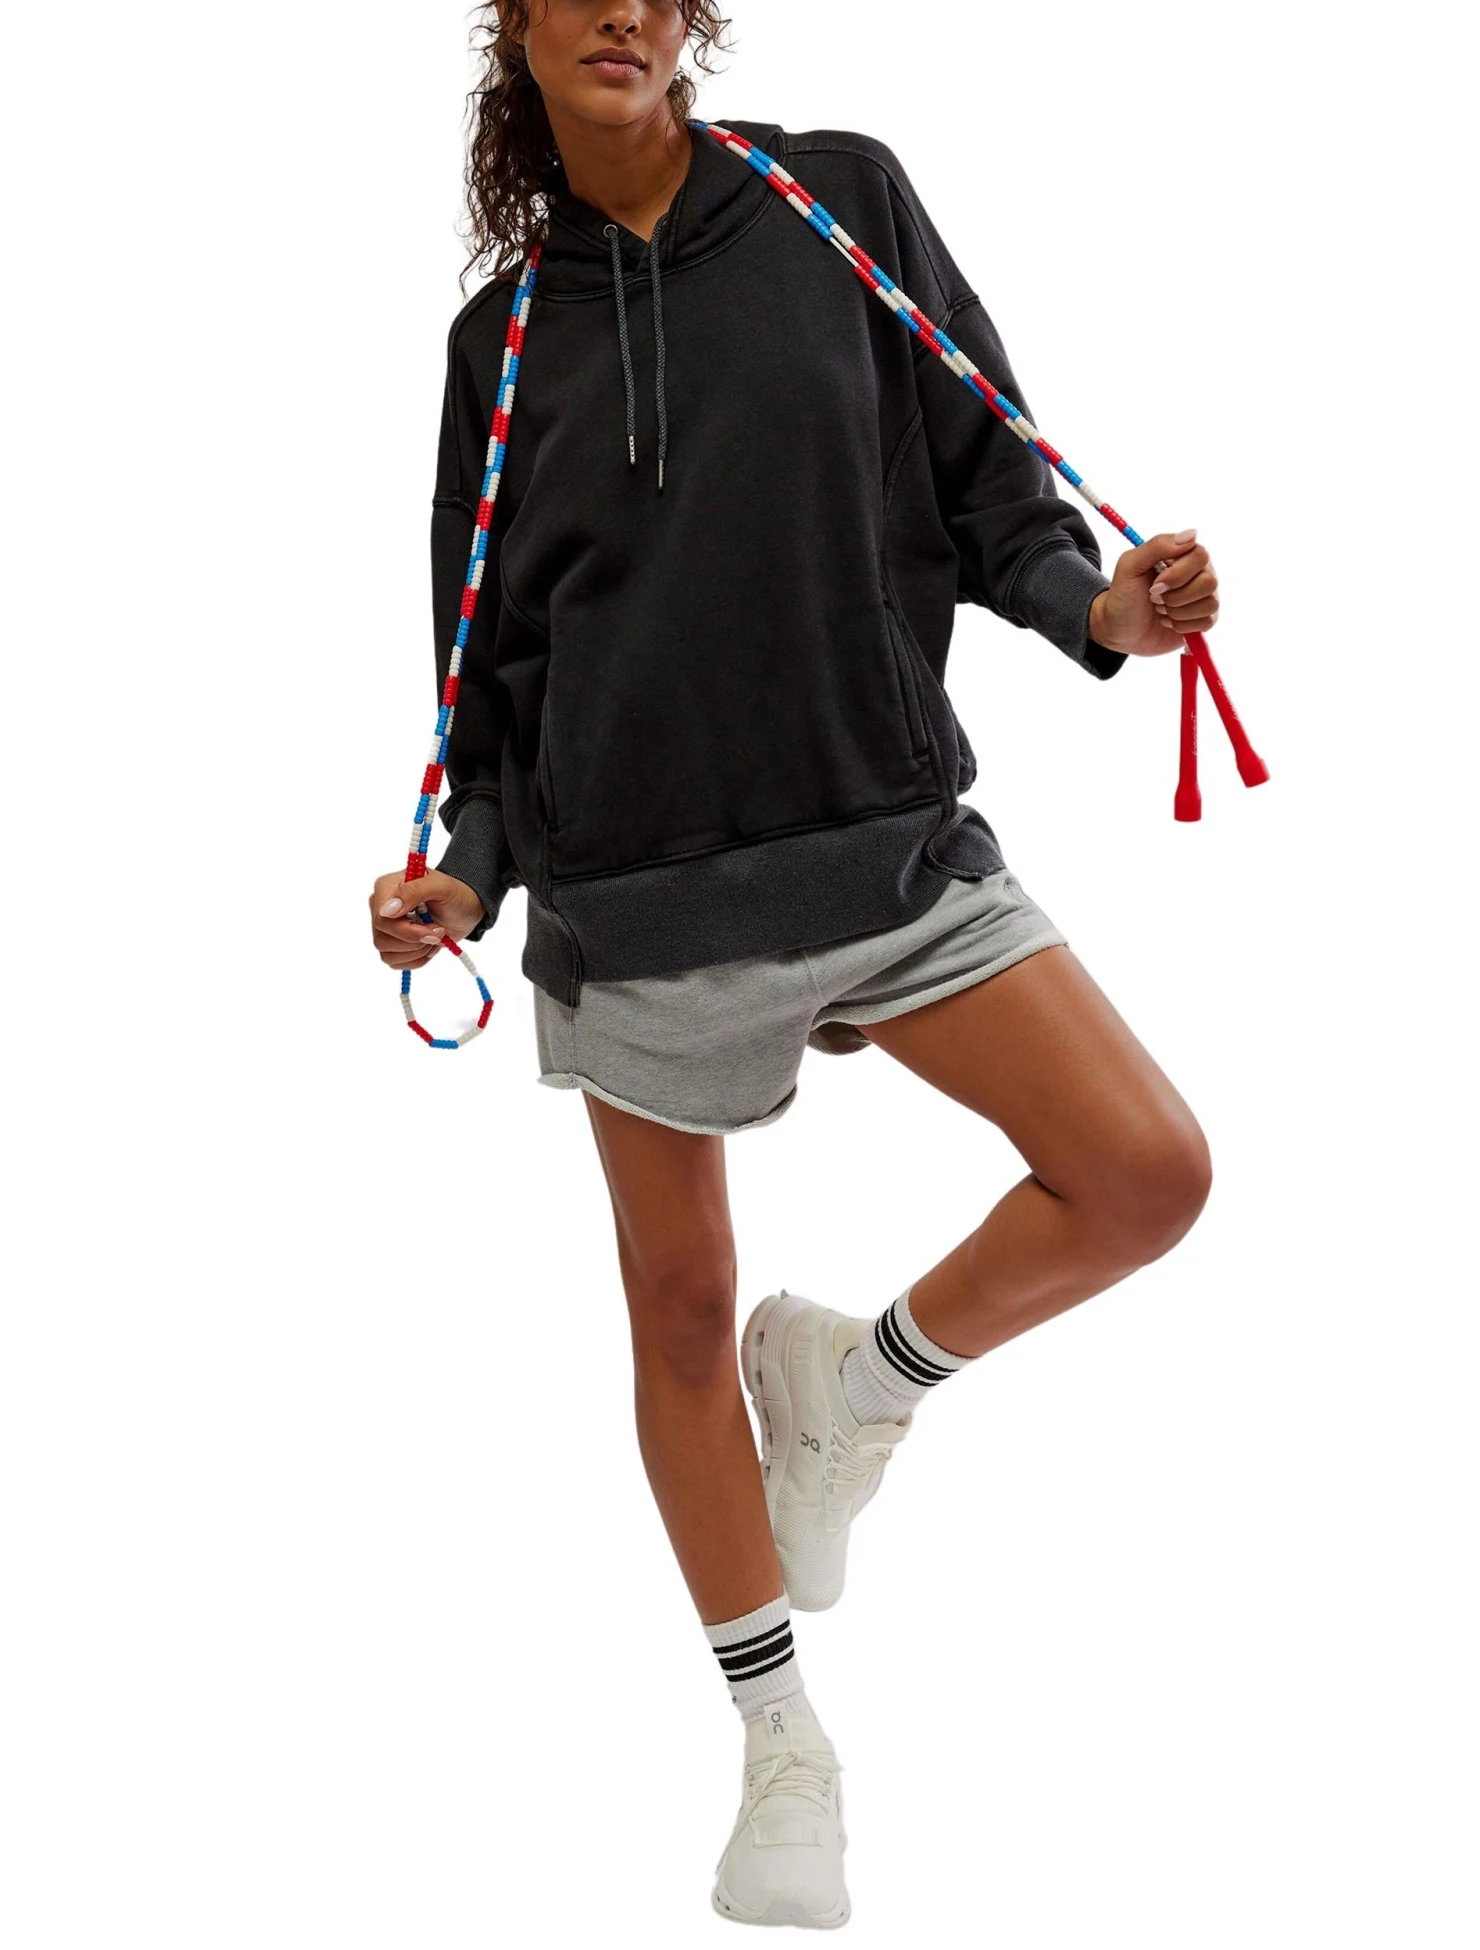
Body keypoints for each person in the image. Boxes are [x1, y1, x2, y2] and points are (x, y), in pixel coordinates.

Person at [369, 2, 1218, 1929]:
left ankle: (856, 1376)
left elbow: (992, 489)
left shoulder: (839, 204)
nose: (620, 9)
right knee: (680, 1313)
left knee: (1146, 1171)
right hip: (640, 899)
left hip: (880, 841)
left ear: (690, 20)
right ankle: (779, 1740)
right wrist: (460, 882)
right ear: (516, 23)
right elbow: (483, 690)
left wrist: (1103, 609)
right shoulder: (500, 345)